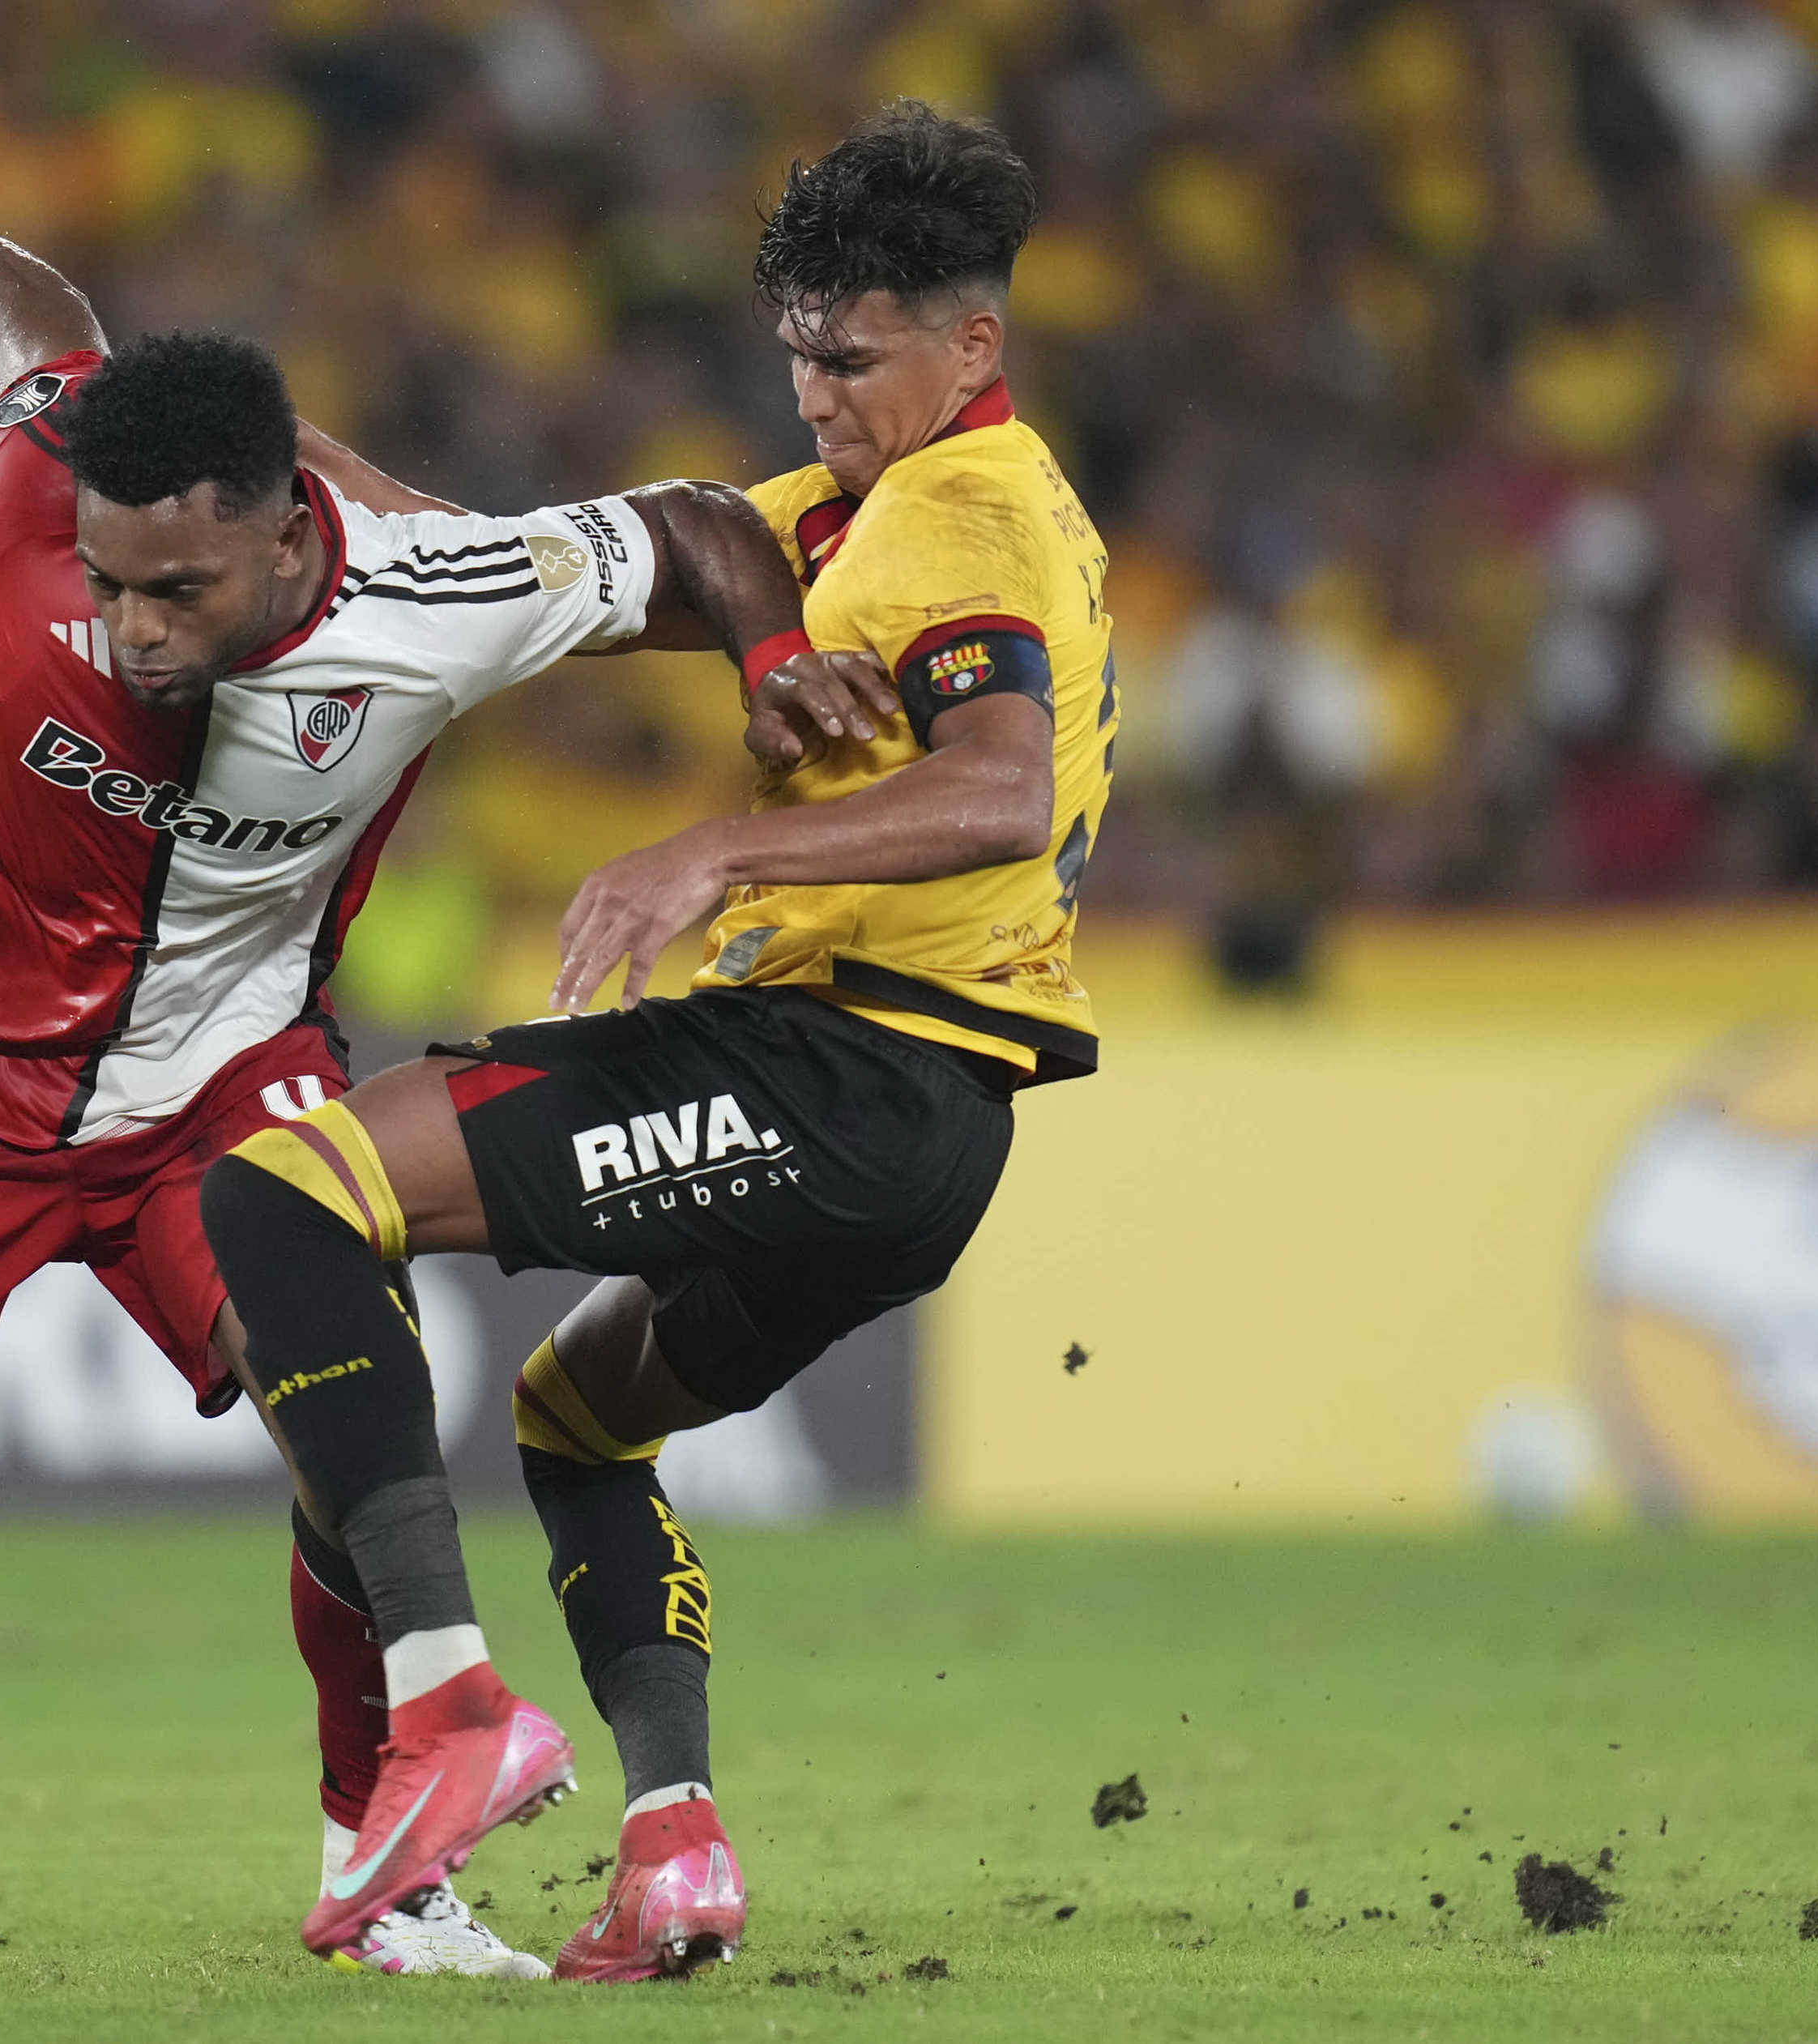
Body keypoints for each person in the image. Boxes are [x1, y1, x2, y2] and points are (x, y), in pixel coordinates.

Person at [0, 124, 851, 1979]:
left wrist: (766, 669)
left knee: (344, 1403)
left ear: (286, 538)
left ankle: (382, 1870)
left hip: (229, 1084)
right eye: (106, 583)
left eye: (178, 592)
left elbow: (700, 531)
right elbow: (37, 310)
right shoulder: (50, 479)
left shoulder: (435, 594)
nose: (129, 628)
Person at [198, 100, 1117, 1979]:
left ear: (973, 349)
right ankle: (672, 1844)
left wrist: (722, 847)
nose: (814, 393)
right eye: (794, 353)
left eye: (851, 360)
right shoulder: (848, 514)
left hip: (853, 1067)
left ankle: (448, 1710)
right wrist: (263, 444)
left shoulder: (972, 511)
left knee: (291, 1197)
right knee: (578, 1415)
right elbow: (483, 555)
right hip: (906, 1132)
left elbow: (1003, 787)